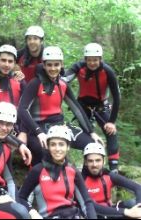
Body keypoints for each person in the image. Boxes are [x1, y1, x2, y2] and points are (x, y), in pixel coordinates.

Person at [18, 46, 102, 166]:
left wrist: (91, 132)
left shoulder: (62, 84)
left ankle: (84, 179)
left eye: (56, 65)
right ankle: (41, 179)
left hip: (59, 125)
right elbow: (22, 109)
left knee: (92, 145)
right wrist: (38, 132)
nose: (53, 68)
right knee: (44, 151)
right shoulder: (35, 83)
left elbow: (76, 109)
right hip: (38, 127)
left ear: (61, 65)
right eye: (49, 65)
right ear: (44, 65)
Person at [19, 125, 97, 219]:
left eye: (61, 144)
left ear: (68, 147)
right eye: (53, 144)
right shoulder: (37, 170)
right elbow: (21, 198)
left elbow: (87, 202)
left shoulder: (73, 171)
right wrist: (32, 212)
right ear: (48, 146)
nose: (57, 149)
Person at [64, 43, 121, 171]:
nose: (92, 63)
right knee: (87, 136)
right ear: (85, 59)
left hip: (101, 106)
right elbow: (64, 79)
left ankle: (114, 168)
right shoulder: (79, 67)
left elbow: (116, 97)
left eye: (95, 60)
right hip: (83, 107)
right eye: (89, 59)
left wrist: (112, 121)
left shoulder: (108, 71)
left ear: (100, 59)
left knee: (111, 133)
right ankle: (88, 166)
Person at [82, 142, 141, 219]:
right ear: (85, 162)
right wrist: (126, 212)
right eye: (90, 161)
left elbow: (138, 188)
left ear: (104, 161)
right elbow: (92, 207)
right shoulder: (80, 179)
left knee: (132, 203)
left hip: (111, 213)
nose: (94, 164)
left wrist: (138, 208)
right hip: (92, 214)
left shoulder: (108, 175)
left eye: (98, 160)